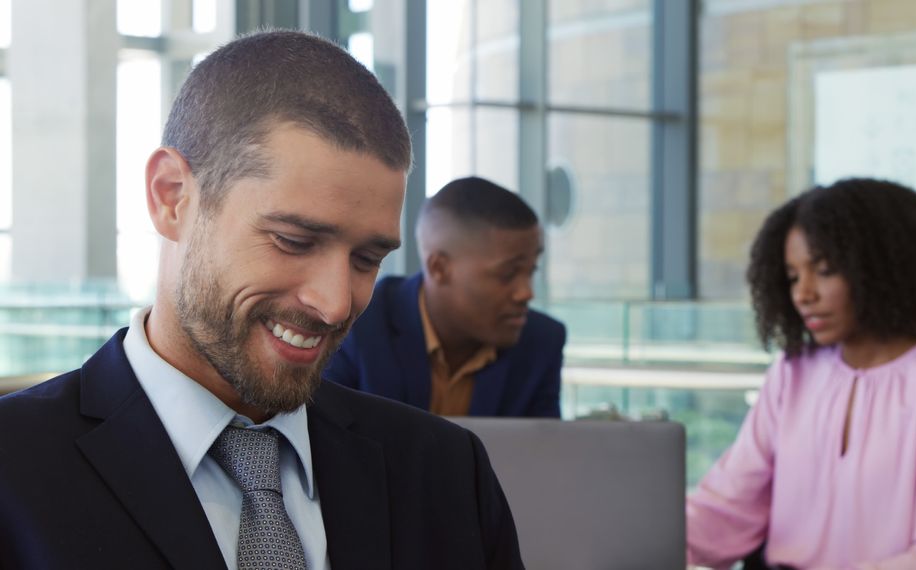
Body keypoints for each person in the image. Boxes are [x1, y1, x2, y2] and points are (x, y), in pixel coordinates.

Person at [0, 31, 522, 569]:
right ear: (171, 197)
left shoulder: (447, 474)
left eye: (367, 259)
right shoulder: (14, 474)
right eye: (293, 241)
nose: (335, 303)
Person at [686, 178, 916, 569]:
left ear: (880, 269)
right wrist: (638, 542)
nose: (803, 294)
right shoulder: (792, 371)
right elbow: (728, 507)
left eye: (824, 270)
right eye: (793, 276)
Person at [324, 176, 566, 417]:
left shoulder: (542, 341)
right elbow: (327, 441)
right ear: (440, 268)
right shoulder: (360, 325)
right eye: (508, 274)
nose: (526, 292)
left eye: (531, 270)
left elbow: (543, 451)